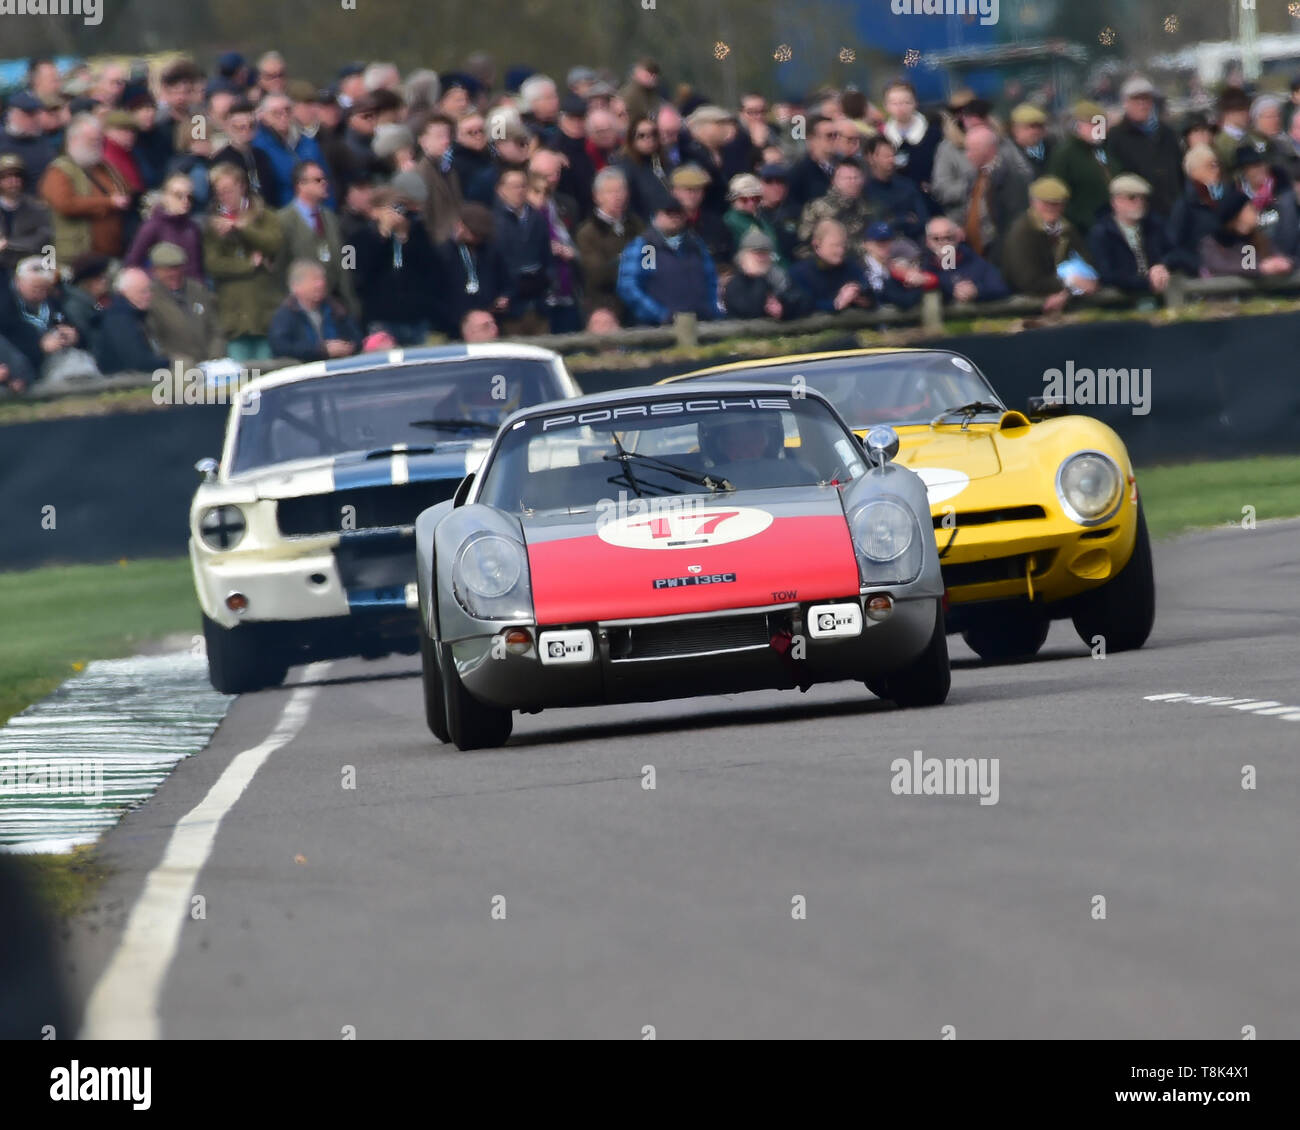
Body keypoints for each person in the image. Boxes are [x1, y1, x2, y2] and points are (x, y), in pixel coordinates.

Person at [205, 162, 284, 361]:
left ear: (241, 186)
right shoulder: (213, 225)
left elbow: (273, 244)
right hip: (234, 314)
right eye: (219, 192)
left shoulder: (265, 215)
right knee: (239, 375)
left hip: (264, 309)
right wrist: (250, 265)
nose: (224, 196)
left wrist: (241, 228)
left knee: (267, 373)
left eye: (228, 190)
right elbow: (213, 264)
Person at [352, 177, 441, 345]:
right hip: (382, 318)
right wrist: (383, 235)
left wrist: (405, 237)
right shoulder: (359, 237)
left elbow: (432, 269)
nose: (397, 214)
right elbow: (360, 275)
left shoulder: (419, 235)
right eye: (391, 209)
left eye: (400, 208)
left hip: (416, 317)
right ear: (375, 211)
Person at [39, 114, 132, 261]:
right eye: (91, 141)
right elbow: (65, 204)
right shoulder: (59, 170)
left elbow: (125, 189)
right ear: (74, 140)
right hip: (78, 255)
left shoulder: (105, 167)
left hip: (112, 253)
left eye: (99, 141)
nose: (97, 145)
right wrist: (108, 202)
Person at [276, 160, 360, 320]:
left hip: (335, 305)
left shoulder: (331, 218)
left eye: (324, 179)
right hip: (302, 308)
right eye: (318, 180)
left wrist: (350, 301)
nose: (324, 183)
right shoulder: (284, 221)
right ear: (301, 185)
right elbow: (280, 267)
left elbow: (346, 259)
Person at [616, 200, 722, 325]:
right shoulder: (648, 247)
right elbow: (629, 287)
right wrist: (661, 315)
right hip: (658, 332)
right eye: (669, 212)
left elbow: (711, 281)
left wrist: (712, 312)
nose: (675, 217)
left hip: (701, 326)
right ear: (656, 214)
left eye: (679, 213)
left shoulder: (696, 245)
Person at [1000, 177, 1097, 312]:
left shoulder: (1067, 229)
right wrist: (1068, 282)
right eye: (1046, 203)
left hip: (1066, 298)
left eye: (1057, 203)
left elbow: (1087, 264)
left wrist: (1068, 291)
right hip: (1025, 302)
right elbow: (1027, 281)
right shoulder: (1021, 232)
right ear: (1033, 202)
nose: (1051, 208)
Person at [946, 124, 1030, 266]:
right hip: (975, 252)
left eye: (972, 150)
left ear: (989, 150)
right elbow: (969, 207)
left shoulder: (1011, 178)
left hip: (1001, 255)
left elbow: (1014, 221)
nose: (968, 155)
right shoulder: (974, 175)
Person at [1107, 76, 1184, 216]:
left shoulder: (1167, 133)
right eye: (1136, 100)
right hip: (1139, 210)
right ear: (1126, 103)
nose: (1142, 104)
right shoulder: (1116, 137)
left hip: (1172, 208)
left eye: (1146, 99)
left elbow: (1179, 169)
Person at [575, 166, 643, 322]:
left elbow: (650, 260)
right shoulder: (587, 232)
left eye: (620, 191)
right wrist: (628, 261)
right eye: (611, 192)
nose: (617, 196)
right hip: (605, 306)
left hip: (637, 303)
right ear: (597, 196)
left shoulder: (637, 225)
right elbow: (597, 274)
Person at [1087, 174, 1173, 295]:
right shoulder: (1101, 233)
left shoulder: (1154, 226)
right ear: (1115, 201)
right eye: (1132, 198)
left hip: (1159, 296)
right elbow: (1106, 274)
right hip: (1119, 302)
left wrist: (1161, 266)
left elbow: (1173, 252)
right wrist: (1146, 283)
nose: (1139, 202)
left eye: (1143, 198)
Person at [491, 166, 552, 334]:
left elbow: (546, 256)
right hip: (511, 306)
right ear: (501, 190)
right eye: (513, 186)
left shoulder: (537, 218)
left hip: (538, 303)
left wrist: (548, 280)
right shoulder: (493, 223)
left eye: (523, 186)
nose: (519, 191)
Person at [435, 202, 508, 337]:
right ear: (460, 226)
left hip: (488, 320)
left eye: (480, 235)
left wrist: (504, 297)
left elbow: (506, 280)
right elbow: (436, 291)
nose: (476, 238)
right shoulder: (443, 253)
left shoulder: (491, 251)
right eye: (473, 233)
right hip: (454, 325)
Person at [145, 242, 224, 366]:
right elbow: (154, 339)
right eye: (167, 269)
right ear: (155, 270)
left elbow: (215, 329)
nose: (174, 274)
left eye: (177, 268)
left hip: (210, 365)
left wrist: (215, 357)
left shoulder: (198, 290)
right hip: (177, 368)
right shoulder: (150, 298)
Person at [0, 257, 80, 377]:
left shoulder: (52, 302)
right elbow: (8, 343)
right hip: (24, 368)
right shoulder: (5, 306)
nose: (41, 293)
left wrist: (73, 335)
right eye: (35, 288)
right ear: (18, 281)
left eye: (45, 288)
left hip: (59, 358)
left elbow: (67, 323)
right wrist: (40, 347)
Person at [268, 259, 362, 361]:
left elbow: (356, 338)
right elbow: (280, 348)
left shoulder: (335, 309)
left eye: (322, 279)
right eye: (314, 280)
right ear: (296, 287)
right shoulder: (285, 316)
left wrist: (345, 347)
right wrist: (321, 351)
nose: (320, 284)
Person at [252, 94, 331, 209]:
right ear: (264, 117)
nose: (283, 115)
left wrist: (329, 212)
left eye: (287, 110)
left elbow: (326, 179)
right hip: (283, 213)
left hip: (317, 210)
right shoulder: (259, 147)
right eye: (276, 112)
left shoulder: (308, 143)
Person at [1046, 100, 1113, 235]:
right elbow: (1057, 192)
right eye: (1093, 124)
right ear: (1078, 126)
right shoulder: (1065, 155)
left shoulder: (1108, 150)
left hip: (1111, 226)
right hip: (1082, 228)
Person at [125, 172, 205, 279]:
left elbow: (196, 269)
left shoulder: (192, 227)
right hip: (162, 289)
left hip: (192, 290)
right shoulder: (152, 226)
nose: (185, 201)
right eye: (178, 195)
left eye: (189, 197)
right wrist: (157, 278)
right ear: (165, 196)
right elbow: (132, 263)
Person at [1197, 191, 1294, 278]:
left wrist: (1284, 263)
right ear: (1236, 214)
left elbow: (1278, 256)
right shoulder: (1212, 243)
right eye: (1250, 210)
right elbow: (1221, 265)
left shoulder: (1259, 238)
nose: (1256, 213)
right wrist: (1261, 268)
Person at [1166, 145, 1228, 276]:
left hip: (1231, 268)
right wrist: (1199, 266)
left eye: (1216, 165)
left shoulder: (1226, 197)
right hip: (1201, 277)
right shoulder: (1185, 205)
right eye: (1210, 166)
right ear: (1194, 172)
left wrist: (1248, 266)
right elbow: (1174, 246)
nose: (1216, 170)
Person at [95, 267, 170, 375]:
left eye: (149, 290)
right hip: (123, 384)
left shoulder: (136, 315)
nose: (148, 296)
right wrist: (172, 362)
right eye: (142, 292)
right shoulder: (119, 320)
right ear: (124, 293)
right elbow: (138, 362)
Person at [722, 229, 810, 320]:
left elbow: (803, 302)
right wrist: (758, 277)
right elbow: (750, 312)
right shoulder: (734, 284)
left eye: (765, 253)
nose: (761, 258)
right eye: (756, 253)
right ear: (743, 256)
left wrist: (783, 307)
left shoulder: (778, 276)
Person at [787, 219, 870, 313]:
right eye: (835, 246)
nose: (841, 251)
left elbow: (871, 293)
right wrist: (835, 304)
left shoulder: (852, 267)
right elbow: (802, 306)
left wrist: (862, 298)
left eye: (843, 245)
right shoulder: (799, 273)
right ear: (817, 245)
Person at [921, 216, 1010, 303]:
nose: (943, 242)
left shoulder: (974, 261)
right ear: (928, 242)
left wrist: (976, 291)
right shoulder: (922, 267)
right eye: (936, 238)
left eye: (948, 237)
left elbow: (1001, 287)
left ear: (958, 238)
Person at [797, 157, 875, 255]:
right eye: (847, 178)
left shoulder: (868, 208)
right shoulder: (816, 208)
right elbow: (804, 241)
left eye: (856, 178)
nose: (853, 182)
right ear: (834, 181)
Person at [1235, 146, 1300, 258]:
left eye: (1263, 164)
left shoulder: (1283, 192)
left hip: (1288, 257)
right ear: (1244, 170)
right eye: (1255, 166)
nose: (1262, 169)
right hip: (1254, 260)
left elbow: (1291, 229)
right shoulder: (1237, 197)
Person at [880, 81, 943, 195]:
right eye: (894, 103)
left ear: (915, 103)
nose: (900, 108)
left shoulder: (933, 134)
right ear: (886, 106)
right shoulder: (882, 138)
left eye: (906, 102)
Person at [863, 136, 928, 240]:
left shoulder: (907, 185)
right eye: (886, 156)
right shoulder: (864, 190)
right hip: (880, 244)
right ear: (870, 158)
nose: (891, 160)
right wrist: (903, 220)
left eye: (893, 156)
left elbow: (922, 220)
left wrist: (892, 220)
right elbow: (874, 225)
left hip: (913, 242)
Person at [413, 113, 463, 242]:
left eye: (447, 136)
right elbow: (423, 217)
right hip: (437, 243)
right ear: (423, 141)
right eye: (439, 136)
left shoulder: (449, 169)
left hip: (454, 241)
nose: (446, 141)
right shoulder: (420, 174)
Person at [670, 163, 733, 265]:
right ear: (674, 192)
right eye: (687, 189)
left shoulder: (716, 225)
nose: (692, 194)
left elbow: (727, 259)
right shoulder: (665, 226)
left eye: (698, 189)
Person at [616, 113, 674, 223]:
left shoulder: (665, 163)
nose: (649, 139)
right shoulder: (624, 168)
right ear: (631, 138)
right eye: (641, 135)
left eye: (653, 134)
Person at [0, 154, 52, 273]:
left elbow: (44, 238)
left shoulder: (37, 208)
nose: (12, 182)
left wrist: (9, 244)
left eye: (17, 176)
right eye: (5, 177)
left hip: (28, 266)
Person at [60, 252, 111, 354]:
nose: (105, 281)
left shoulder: (92, 303)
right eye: (101, 277)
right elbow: (88, 340)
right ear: (88, 281)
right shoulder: (75, 307)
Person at [0, 91, 58, 181]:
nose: (35, 119)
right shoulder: (2, 141)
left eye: (37, 113)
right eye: (29, 114)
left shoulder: (42, 138)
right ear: (13, 114)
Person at [786, 113, 839, 211]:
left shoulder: (843, 166)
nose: (834, 139)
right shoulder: (798, 173)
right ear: (811, 139)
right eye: (829, 135)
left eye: (835, 135)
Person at [1008, 103, 1054, 179]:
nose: (1036, 131)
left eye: (1040, 126)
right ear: (1015, 129)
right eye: (1031, 126)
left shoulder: (1052, 149)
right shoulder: (1005, 155)